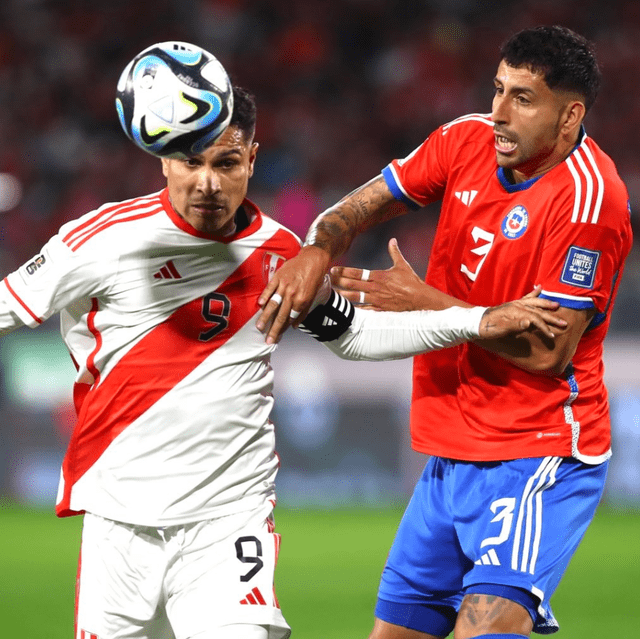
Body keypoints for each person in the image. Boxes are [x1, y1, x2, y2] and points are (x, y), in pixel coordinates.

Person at [0, 76, 564, 639]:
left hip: (227, 522)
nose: (208, 184)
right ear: (164, 160)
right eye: (191, 163)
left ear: (252, 157)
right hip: (118, 521)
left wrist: (476, 320)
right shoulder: (104, 240)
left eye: (226, 163)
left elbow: (355, 335)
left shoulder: (281, 255)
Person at [257, 25, 633, 639]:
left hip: (536, 450)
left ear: (570, 117)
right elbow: (356, 207)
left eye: (523, 98)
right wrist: (315, 249)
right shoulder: (465, 140)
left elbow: (548, 350)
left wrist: (423, 302)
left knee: (482, 632)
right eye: (498, 89)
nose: (499, 113)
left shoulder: (592, 200)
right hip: (451, 452)